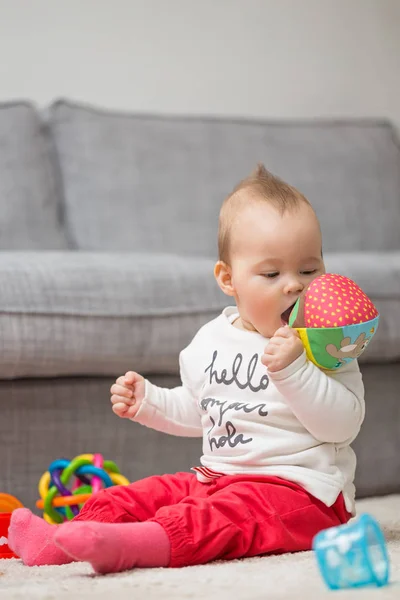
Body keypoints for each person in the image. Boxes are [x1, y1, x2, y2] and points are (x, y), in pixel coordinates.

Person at [8, 164, 364, 574]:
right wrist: (149, 402)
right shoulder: (210, 341)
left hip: (304, 495)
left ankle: (134, 547)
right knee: (145, 494)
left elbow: (342, 426)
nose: (294, 286)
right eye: (271, 273)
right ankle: (58, 543)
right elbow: (201, 411)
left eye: (309, 269)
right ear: (228, 279)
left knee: (219, 520)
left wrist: (296, 369)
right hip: (216, 478)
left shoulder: (326, 341)